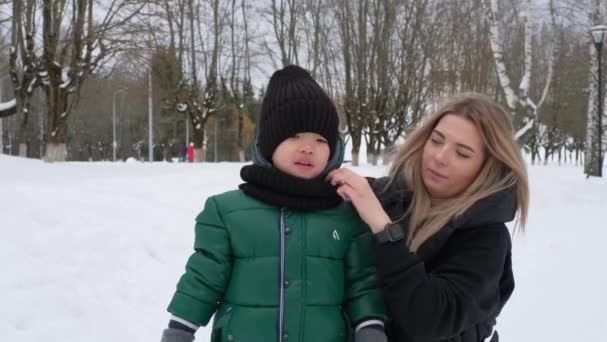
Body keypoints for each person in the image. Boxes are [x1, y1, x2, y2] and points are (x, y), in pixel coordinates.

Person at [161, 65, 387, 342]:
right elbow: (203, 278)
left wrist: (371, 326)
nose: (308, 148)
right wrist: (180, 329)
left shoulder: (346, 216)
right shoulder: (226, 213)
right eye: (293, 136)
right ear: (268, 142)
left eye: (320, 139)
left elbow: (361, 283)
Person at [327, 92, 529, 342]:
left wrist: (383, 228)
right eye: (437, 140)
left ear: (487, 168)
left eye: (462, 153)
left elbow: (428, 319)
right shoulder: (387, 195)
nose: (440, 157)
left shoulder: (486, 237)